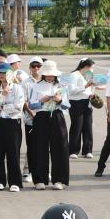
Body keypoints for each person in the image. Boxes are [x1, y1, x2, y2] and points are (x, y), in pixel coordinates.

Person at [28, 60, 69, 189]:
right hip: (41, 116)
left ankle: (59, 180)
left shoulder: (61, 86)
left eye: (52, 74)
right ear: (44, 74)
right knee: (39, 148)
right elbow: (31, 105)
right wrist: (41, 101)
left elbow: (67, 105)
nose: (50, 76)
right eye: (48, 74)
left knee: (60, 147)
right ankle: (39, 180)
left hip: (57, 115)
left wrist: (60, 100)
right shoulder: (36, 86)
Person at [65, 58, 96, 158]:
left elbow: (91, 88)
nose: (92, 70)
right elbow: (71, 90)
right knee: (77, 126)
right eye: (91, 68)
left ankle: (88, 150)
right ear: (86, 66)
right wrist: (85, 86)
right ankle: (73, 151)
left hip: (87, 102)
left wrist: (91, 93)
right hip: (76, 103)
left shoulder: (89, 75)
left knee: (88, 126)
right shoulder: (74, 75)